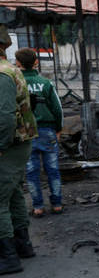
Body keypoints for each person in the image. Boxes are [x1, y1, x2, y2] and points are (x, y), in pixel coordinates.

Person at [0, 25, 38, 275]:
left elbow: (4, 116)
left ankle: (7, 257)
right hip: (18, 141)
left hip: (10, 143)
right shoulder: (9, 69)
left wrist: (0, 145)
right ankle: (22, 246)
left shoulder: (2, 74)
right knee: (12, 194)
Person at [15, 48, 62, 217]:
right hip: (47, 131)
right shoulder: (46, 83)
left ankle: (38, 207)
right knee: (53, 169)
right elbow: (57, 109)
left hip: (26, 132)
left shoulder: (15, 84)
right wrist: (58, 128)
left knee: (31, 172)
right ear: (36, 62)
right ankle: (57, 204)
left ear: (18, 63)